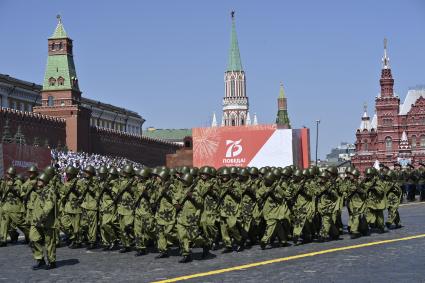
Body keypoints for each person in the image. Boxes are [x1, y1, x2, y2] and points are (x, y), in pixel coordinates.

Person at [30, 173, 58, 270]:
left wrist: (43, 215)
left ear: (45, 181)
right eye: (38, 180)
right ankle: (40, 259)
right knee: (33, 239)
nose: (38, 181)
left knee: (49, 242)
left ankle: (52, 261)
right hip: (36, 220)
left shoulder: (50, 191)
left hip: (46, 221)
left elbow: (49, 205)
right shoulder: (37, 191)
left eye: (40, 180)